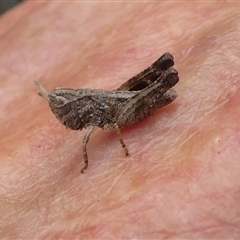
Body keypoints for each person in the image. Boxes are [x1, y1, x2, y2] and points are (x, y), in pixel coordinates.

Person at [1, 2, 239, 238]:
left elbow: (102, 130)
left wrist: (113, 150)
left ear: (75, 104)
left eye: (62, 108)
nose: (61, 115)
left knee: (116, 119)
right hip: (119, 105)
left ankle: (161, 81)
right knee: (115, 110)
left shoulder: (93, 119)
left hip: (127, 109)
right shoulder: (84, 108)